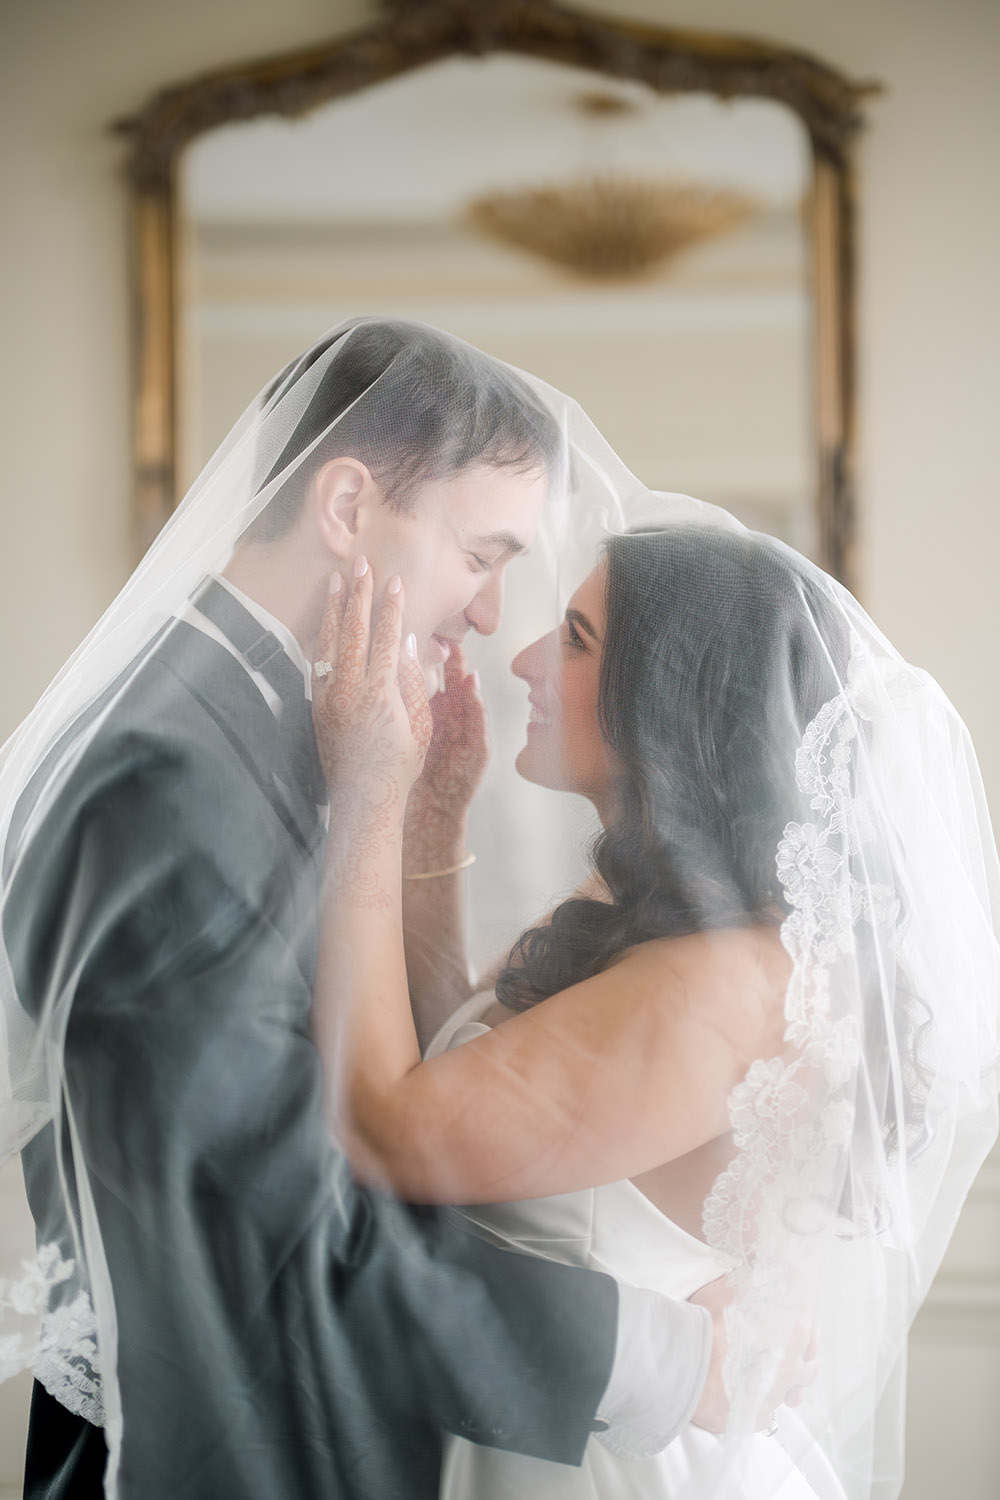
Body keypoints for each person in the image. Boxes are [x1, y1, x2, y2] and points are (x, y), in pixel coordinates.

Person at [0, 320, 788, 1500]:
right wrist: (659, 1357)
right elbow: (273, 1222)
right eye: (482, 554)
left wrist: (414, 831)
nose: (487, 618)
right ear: (350, 508)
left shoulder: (274, 728)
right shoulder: (170, 776)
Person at [307, 520, 1000, 1499]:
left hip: (601, 1464)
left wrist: (367, 796)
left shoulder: (716, 981)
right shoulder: (642, 921)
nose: (525, 657)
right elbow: (446, 1070)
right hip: (533, 1421)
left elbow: (392, 1131)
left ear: (676, 706)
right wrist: (432, 822)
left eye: (579, 640)